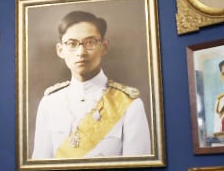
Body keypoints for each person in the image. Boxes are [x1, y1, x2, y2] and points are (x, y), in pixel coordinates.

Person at [31, 10, 151, 159]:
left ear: (104, 46)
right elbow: (40, 168)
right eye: (72, 44)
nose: (81, 52)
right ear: (60, 50)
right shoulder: (49, 103)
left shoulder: (130, 104)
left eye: (90, 43)